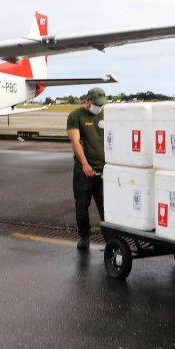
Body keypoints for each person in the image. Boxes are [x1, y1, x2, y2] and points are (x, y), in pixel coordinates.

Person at [67, 87, 107, 251]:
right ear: (88, 101)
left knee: (107, 206)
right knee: (82, 205)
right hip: (84, 171)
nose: (100, 107)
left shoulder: (106, 114)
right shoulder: (75, 116)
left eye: (102, 104)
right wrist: (85, 164)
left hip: (105, 170)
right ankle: (84, 236)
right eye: (97, 104)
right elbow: (75, 142)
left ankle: (110, 238)